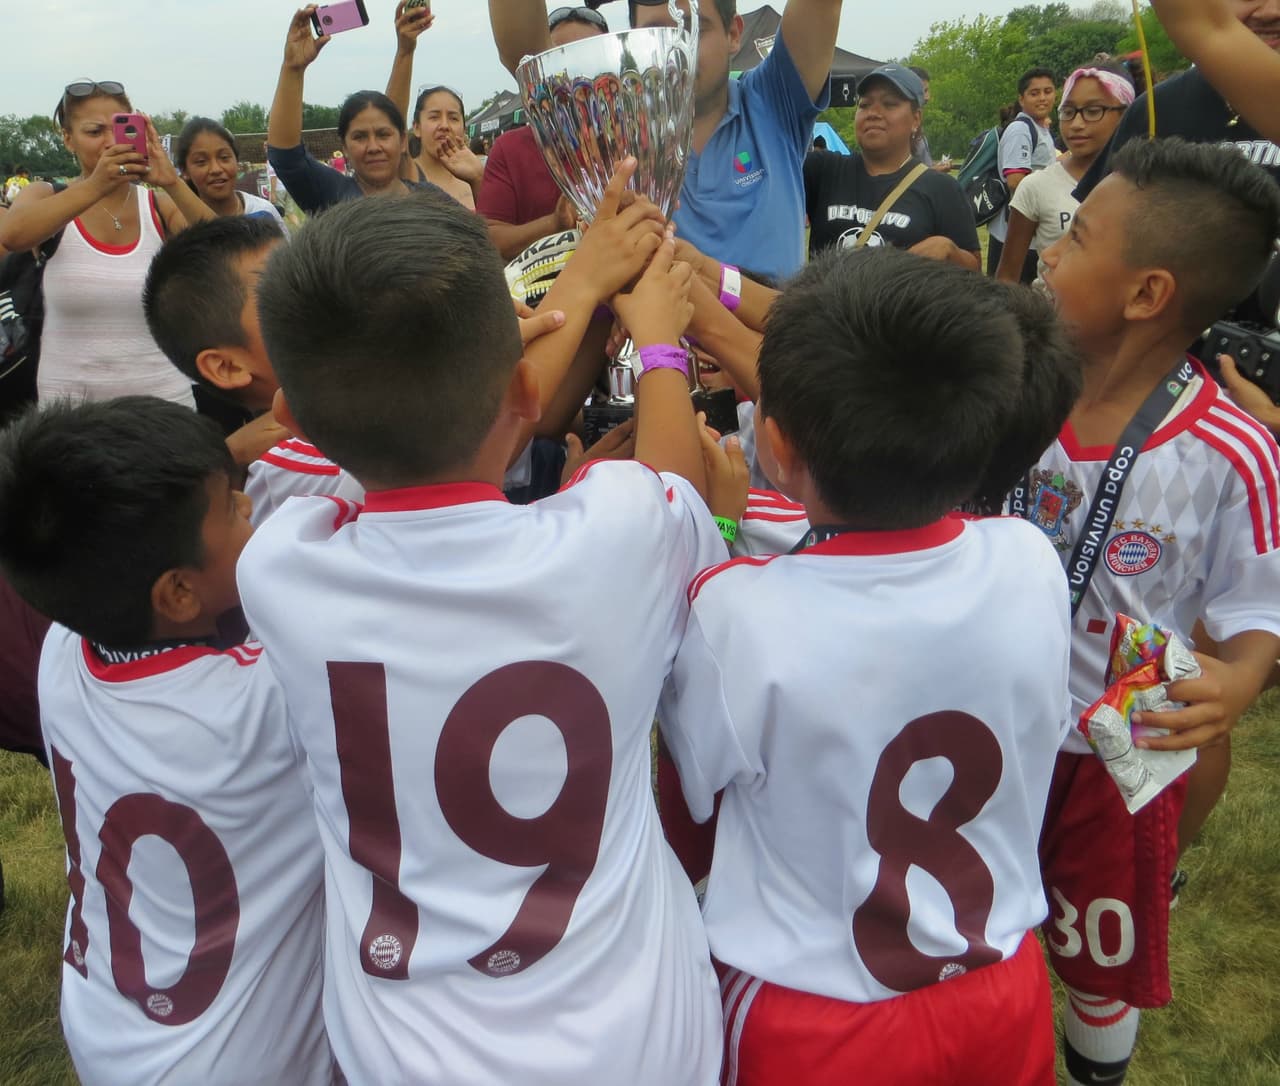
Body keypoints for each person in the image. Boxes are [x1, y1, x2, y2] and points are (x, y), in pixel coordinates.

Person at [238, 172, 723, 1082]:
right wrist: (656, 348)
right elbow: (679, 492)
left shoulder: (281, 568)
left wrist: (556, 310)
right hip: (637, 1042)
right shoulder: (614, 538)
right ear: (525, 395)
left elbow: (379, 463)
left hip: (405, 1053)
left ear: (294, 420)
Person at [658, 246, 1071, 1084]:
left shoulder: (737, 613)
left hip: (814, 1019)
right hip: (1003, 991)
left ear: (774, 442)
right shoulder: (1028, 559)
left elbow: (691, 802)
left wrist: (727, 534)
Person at [1028, 137, 1280, 1086]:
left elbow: (1261, 596)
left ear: (1147, 293)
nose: (1049, 250)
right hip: (993, 725)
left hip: (1117, 752)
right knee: (988, 925)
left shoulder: (1232, 448)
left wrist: (1245, 674)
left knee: (1100, 967)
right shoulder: (1010, 387)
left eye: (1077, 235)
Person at [0, 397, 332, 1085]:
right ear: (179, 593)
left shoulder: (69, 645)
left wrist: (210, 468)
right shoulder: (266, 700)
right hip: (241, 1064)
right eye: (235, 508)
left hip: (114, 1032)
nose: (253, 510)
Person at [490, 0, 844, 282]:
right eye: (656, 33)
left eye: (694, 28)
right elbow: (527, 58)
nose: (678, 50)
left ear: (734, 33)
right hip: (656, 362)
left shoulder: (774, 100)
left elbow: (821, 6)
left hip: (779, 356)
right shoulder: (612, 128)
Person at [0, 81, 214, 406]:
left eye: (120, 128)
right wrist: (98, 184)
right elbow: (13, 235)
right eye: (94, 131)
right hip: (70, 413)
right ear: (67, 139)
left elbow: (226, 249)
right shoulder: (45, 196)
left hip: (163, 404)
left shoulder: (156, 206)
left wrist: (171, 181)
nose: (111, 141)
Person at [805, 64, 980, 267]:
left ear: (916, 119)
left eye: (889, 104)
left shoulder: (942, 188)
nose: (873, 113)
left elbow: (974, 269)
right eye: (864, 105)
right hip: (826, 299)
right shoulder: (824, 170)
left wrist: (948, 250)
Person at [266, 6, 433, 214]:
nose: (373, 147)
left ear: (402, 142)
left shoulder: (431, 199)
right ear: (344, 147)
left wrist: (476, 179)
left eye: (383, 135)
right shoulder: (332, 196)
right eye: (360, 137)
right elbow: (286, 158)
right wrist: (293, 68)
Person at [478, 5, 607, 259]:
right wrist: (554, 225)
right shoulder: (510, 148)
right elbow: (487, 241)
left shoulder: (636, 138)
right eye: (560, 58)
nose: (573, 73)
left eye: (588, 57)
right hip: (542, 296)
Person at [996, 66, 1132, 284]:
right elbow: (1007, 277)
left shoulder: (1145, 184)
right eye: (1068, 112)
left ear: (1125, 114)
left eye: (1093, 111)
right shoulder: (1035, 186)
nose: (1076, 124)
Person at [988, 67, 1058, 280]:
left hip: (1031, 235)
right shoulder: (1020, 129)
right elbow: (1015, 181)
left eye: (1048, 91)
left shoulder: (1040, 128)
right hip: (1016, 236)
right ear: (1021, 98)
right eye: (1034, 93)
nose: (1042, 98)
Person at [175, 118, 285, 226]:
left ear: (236, 161)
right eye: (201, 161)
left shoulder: (264, 212)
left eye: (224, 157)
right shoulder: (179, 225)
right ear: (184, 171)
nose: (216, 169)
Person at [409, 87, 484, 208]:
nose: (444, 125)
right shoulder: (402, 175)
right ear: (416, 127)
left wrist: (478, 179)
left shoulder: (476, 176)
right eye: (434, 117)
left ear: (464, 129)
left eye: (453, 118)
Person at [906, 65, 951, 172]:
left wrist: (937, 165)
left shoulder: (916, 121)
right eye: (924, 91)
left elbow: (921, 164)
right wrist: (936, 170)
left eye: (927, 90)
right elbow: (905, 174)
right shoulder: (904, 126)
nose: (928, 97)